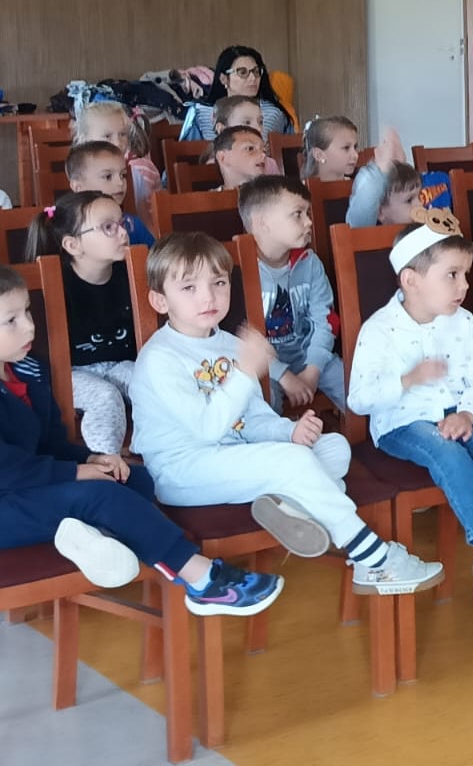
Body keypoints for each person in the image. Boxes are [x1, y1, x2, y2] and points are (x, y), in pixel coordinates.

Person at [130, 232, 443, 595]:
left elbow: (252, 419)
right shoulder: (160, 358)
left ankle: (292, 507)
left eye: (218, 283)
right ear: (160, 300)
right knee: (294, 463)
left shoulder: (231, 345)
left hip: (232, 455)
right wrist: (245, 371)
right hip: (182, 469)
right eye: (189, 287)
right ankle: (372, 560)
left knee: (334, 448)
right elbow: (206, 429)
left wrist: (288, 431)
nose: (208, 296)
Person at [0, 264, 285, 614]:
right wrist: (76, 473)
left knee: (139, 480)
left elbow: (49, 443)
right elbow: (7, 469)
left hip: (26, 487)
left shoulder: (27, 371)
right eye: (11, 320)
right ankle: (202, 580)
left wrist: (90, 459)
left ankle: (92, 540)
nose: (30, 326)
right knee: (99, 494)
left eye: (27, 312)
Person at [348, 211, 473, 612]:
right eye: (452, 275)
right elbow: (358, 399)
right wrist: (407, 379)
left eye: (465, 275)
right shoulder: (379, 329)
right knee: (449, 456)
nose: (464, 285)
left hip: (458, 412)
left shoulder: (462, 321)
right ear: (411, 280)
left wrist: (468, 414)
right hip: (404, 423)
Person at [23, 193, 138, 454]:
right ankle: (107, 461)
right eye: (108, 227)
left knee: (150, 382)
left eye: (122, 223)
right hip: (72, 373)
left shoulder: (131, 271)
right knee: (105, 396)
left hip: (120, 363)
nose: (122, 232)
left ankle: (156, 447)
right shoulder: (55, 281)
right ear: (73, 245)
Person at [237, 177, 346, 413]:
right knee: (263, 401)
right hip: (265, 365)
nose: (308, 222)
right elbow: (240, 338)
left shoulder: (310, 263)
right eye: (298, 214)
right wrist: (283, 375)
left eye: (308, 213)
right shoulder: (239, 269)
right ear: (262, 223)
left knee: (353, 388)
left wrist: (313, 371)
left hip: (310, 356)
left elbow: (325, 321)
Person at [179, 46, 294, 142]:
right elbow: (187, 155)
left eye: (256, 71)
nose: (253, 78)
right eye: (242, 72)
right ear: (223, 78)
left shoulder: (274, 114)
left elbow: (289, 155)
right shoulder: (200, 113)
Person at [76, 102, 160, 228]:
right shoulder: (78, 175)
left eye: (122, 134)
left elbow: (146, 223)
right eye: (107, 136)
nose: (118, 143)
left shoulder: (136, 173)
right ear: (85, 139)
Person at [65, 141, 155, 246]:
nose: (120, 182)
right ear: (78, 187)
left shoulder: (132, 224)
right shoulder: (69, 232)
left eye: (122, 175)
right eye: (108, 176)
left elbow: (157, 255)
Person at [302, 115, 362, 182]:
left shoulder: (358, 185)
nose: (356, 155)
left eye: (355, 147)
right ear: (319, 155)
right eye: (346, 148)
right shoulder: (300, 188)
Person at [214, 125, 270, 191]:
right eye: (250, 148)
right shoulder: (206, 197)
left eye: (264, 151)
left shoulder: (277, 195)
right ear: (222, 157)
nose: (263, 155)